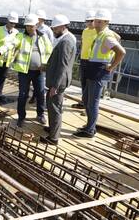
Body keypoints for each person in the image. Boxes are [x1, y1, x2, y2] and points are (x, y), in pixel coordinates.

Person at [0, 14, 52, 127]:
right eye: (27, 26)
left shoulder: (43, 37)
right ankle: (21, 117)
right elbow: (10, 45)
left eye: (31, 26)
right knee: (23, 95)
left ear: (36, 25)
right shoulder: (21, 37)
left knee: (40, 93)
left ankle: (40, 114)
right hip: (24, 72)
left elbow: (49, 51)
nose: (28, 28)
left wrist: (45, 64)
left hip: (39, 72)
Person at [73, 9, 126, 138]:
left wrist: (111, 66)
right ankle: (89, 125)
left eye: (99, 21)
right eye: (95, 21)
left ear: (106, 22)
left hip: (99, 72)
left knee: (93, 102)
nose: (96, 23)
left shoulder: (106, 36)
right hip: (93, 70)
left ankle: (90, 130)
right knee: (86, 99)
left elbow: (121, 52)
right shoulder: (100, 34)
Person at [71, 11, 120, 109]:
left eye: (91, 21)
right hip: (83, 60)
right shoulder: (85, 31)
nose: (89, 23)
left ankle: (88, 106)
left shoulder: (99, 31)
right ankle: (84, 103)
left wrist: (111, 55)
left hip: (92, 61)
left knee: (90, 87)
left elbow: (118, 38)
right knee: (84, 83)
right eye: (87, 21)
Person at [40, 15, 76, 145]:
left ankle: (53, 138)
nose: (54, 31)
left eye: (55, 29)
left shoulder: (66, 41)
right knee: (51, 106)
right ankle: (52, 128)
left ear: (62, 26)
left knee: (55, 108)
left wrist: (55, 86)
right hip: (57, 80)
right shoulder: (66, 38)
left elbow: (63, 65)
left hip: (58, 82)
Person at [0, 11, 19, 104]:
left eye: (14, 23)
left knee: (3, 77)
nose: (13, 25)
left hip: (7, 60)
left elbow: (17, 46)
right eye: (11, 23)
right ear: (7, 21)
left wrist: (14, 56)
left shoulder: (16, 32)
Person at [29, 10, 54, 104]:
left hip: (42, 61)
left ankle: (39, 99)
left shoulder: (47, 30)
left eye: (38, 19)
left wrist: (46, 62)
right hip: (32, 61)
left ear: (42, 19)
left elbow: (50, 45)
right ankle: (34, 97)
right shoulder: (32, 28)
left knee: (40, 82)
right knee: (35, 82)